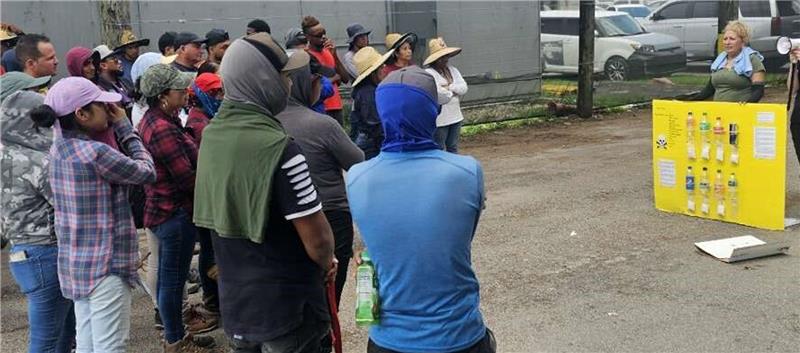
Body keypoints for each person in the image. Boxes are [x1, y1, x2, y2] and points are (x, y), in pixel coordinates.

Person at [193, 32, 337, 353]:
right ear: (264, 80)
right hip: (290, 308)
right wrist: (328, 260)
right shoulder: (280, 148)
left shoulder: (212, 138)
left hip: (239, 307)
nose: (288, 84)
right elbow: (318, 239)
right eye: (283, 76)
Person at [346, 66, 495, 353]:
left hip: (389, 340)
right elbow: (458, 237)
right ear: (432, 112)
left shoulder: (357, 177)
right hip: (458, 336)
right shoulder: (466, 172)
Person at [30, 77, 156, 353]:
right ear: (82, 114)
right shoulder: (95, 153)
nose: (110, 112)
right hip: (106, 264)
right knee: (111, 346)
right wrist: (124, 127)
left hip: (77, 264)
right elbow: (147, 171)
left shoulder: (56, 151)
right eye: (102, 106)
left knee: (87, 343)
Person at [276, 49, 364, 353]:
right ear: (302, 83)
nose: (319, 88)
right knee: (328, 295)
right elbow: (358, 162)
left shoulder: (265, 123)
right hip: (329, 218)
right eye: (315, 81)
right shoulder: (321, 124)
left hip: (285, 220)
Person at [137, 64, 217, 352]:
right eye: (178, 89)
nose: (185, 92)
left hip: (166, 211)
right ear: (162, 96)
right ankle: (175, 340)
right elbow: (186, 178)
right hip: (174, 213)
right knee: (172, 281)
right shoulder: (160, 129)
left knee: (171, 279)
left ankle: (176, 332)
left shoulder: (158, 120)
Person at [1, 73, 76, 353]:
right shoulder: (39, 161)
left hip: (22, 255)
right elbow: (67, 203)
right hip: (46, 252)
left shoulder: (4, 154)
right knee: (47, 341)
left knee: (57, 334)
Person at [686, 21, 765, 103]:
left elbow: (758, 91)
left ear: (743, 41)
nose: (727, 42)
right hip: (719, 110)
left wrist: (746, 105)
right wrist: (689, 100)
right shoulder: (719, 61)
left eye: (732, 39)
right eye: (725, 39)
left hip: (740, 110)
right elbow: (709, 90)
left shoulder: (752, 59)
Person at [303, 15, 350, 125]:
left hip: (336, 106)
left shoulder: (329, 51)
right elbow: (314, 85)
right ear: (308, 37)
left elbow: (345, 79)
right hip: (320, 108)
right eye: (318, 35)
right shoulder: (306, 56)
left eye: (324, 33)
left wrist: (335, 56)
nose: (323, 37)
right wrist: (333, 78)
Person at [424, 37, 467, 153]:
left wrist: (449, 87)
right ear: (435, 59)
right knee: (439, 148)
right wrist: (453, 90)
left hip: (456, 116)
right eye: (442, 57)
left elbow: (463, 88)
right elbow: (438, 94)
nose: (445, 59)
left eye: (446, 56)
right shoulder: (429, 73)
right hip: (440, 120)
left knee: (453, 147)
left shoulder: (453, 70)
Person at [351, 46, 394, 159]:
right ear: (373, 72)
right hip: (371, 144)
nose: (384, 68)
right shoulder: (368, 94)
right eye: (380, 66)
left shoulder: (368, 90)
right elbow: (375, 125)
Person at [285, 28, 335, 115]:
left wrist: (315, 86)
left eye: (306, 44)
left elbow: (329, 87)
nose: (306, 48)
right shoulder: (284, 67)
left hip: (317, 115)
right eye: (301, 46)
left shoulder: (311, 62)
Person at [95, 45, 135, 116]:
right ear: (103, 65)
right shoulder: (100, 90)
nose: (119, 61)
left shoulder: (125, 82)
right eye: (114, 59)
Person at [185, 73, 223, 143]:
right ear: (201, 94)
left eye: (221, 91)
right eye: (214, 92)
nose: (221, 97)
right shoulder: (200, 125)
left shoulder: (203, 115)